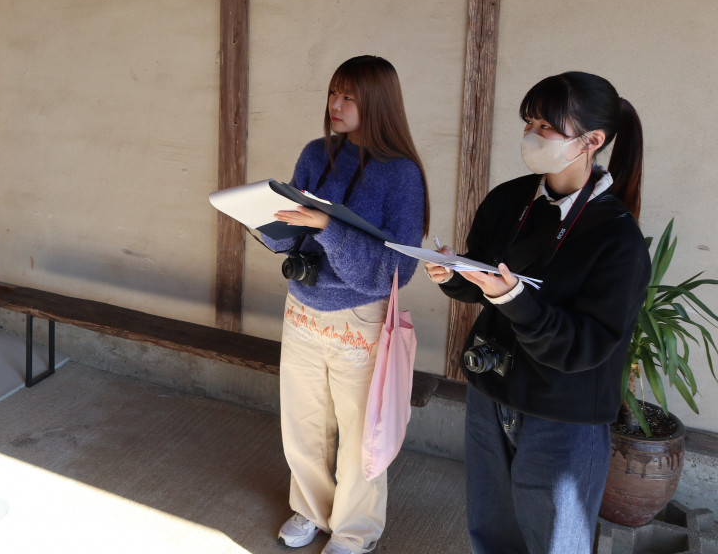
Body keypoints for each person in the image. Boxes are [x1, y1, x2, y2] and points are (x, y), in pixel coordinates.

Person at [426, 71, 650, 554]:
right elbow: (483, 278)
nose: (531, 135)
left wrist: (512, 298)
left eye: (546, 126)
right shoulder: (509, 199)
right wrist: (453, 274)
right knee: (491, 531)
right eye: (529, 122)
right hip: (490, 392)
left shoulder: (618, 239)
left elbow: (583, 346)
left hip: (563, 414)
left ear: (592, 141)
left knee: (554, 542)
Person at [265, 55, 429, 554]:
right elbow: (293, 235)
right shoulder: (316, 153)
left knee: (362, 432)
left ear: (377, 104)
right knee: (303, 423)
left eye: (349, 96)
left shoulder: (401, 175)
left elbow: (396, 269)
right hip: (302, 304)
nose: (335, 104)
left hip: (360, 315)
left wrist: (328, 228)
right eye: (333, 93)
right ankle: (311, 510)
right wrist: (265, 221)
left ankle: (355, 531)